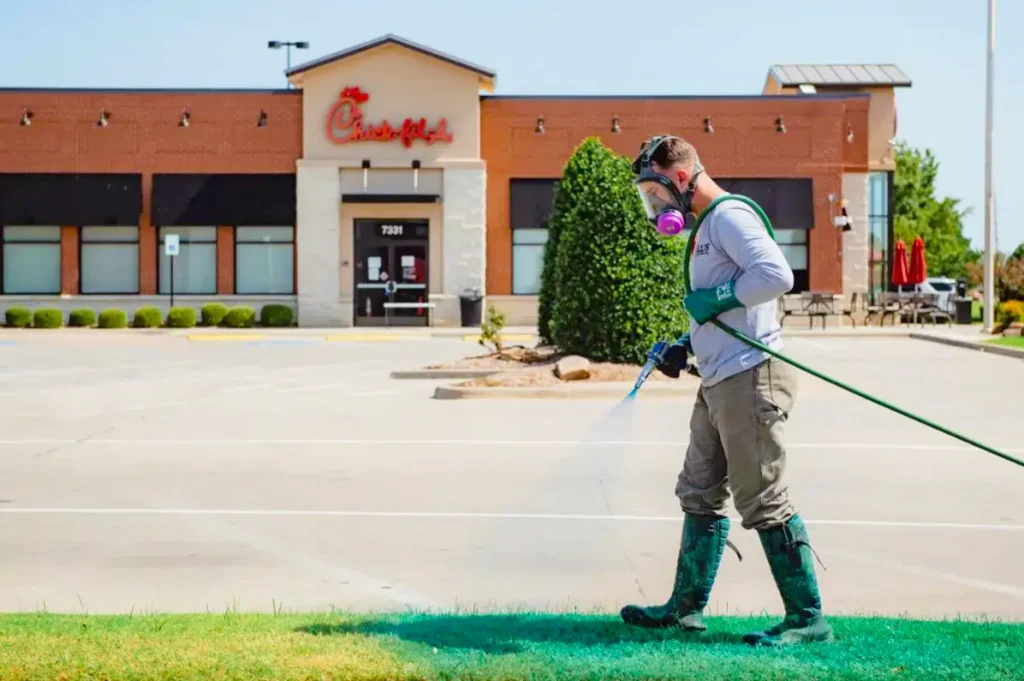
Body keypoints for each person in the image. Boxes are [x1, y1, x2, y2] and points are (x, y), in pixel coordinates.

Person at [619, 134, 833, 647]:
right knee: (698, 490)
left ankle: (807, 619)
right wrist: (687, 346)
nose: (653, 207)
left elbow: (777, 275)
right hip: (719, 377)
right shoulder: (707, 228)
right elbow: (727, 307)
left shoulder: (730, 217)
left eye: (653, 194)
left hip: (752, 374)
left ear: (677, 179)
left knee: (762, 498)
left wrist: (712, 300)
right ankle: (683, 610)